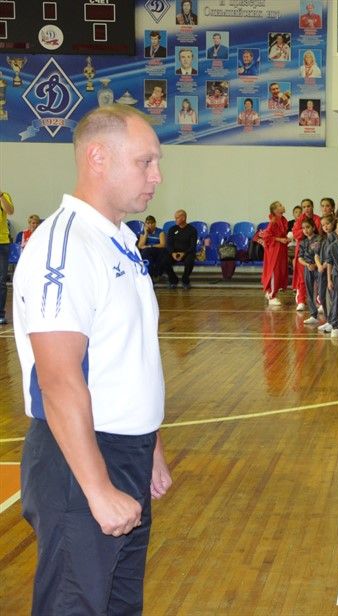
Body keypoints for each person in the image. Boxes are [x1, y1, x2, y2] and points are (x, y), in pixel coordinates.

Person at [12, 104, 171, 614]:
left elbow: (127, 354)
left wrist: (150, 442)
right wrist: (98, 487)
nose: (157, 176)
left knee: (119, 606)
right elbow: (59, 380)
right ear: (98, 158)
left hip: (125, 451)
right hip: (79, 459)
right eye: (145, 162)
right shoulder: (65, 246)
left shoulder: (119, 241)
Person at [291, 199, 321, 310]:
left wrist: (308, 231)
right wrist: (306, 231)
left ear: (312, 206)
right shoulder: (299, 220)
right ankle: (301, 300)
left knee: (317, 278)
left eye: (308, 206)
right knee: (302, 277)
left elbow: (319, 233)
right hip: (303, 251)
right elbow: (296, 234)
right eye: (304, 207)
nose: (306, 208)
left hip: (316, 250)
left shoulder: (317, 219)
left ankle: (318, 301)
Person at [258, 201, 290, 304]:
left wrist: (286, 239)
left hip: (281, 249)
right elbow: (266, 236)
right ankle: (272, 295)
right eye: (280, 205)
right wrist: (280, 239)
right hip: (274, 250)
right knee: (274, 271)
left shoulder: (283, 219)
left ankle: (270, 292)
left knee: (280, 271)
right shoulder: (273, 221)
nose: (283, 206)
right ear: (275, 210)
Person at [162, 209, 197, 289]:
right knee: (164, 260)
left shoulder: (192, 230)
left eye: (177, 218)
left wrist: (184, 253)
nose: (175, 220)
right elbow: (169, 243)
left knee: (189, 261)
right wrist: (172, 253)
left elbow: (192, 246)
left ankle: (185, 280)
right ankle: (173, 280)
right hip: (174, 253)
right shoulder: (172, 229)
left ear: (183, 218)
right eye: (175, 218)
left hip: (187, 253)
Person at [298, 220, 322, 324]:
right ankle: (313, 315)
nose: (305, 230)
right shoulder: (303, 242)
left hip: (319, 267)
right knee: (309, 291)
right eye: (303, 228)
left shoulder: (319, 239)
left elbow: (320, 254)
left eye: (308, 227)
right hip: (308, 268)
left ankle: (327, 314)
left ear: (313, 227)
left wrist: (316, 265)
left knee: (322, 290)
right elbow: (300, 258)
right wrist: (307, 265)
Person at [137, 214, 166, 279]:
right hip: (147, 251)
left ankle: (154, 274)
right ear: (145, 224)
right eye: (148, 223)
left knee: (161, 253)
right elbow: (140, 246)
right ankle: (151, 275)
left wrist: (150, 246)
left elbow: (163, 245)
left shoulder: (160, 232)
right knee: (146, 253)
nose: (150, 225)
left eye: (152, 223)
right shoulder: (143, 232)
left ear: (155, 223)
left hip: (157, 250)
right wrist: (146, 234)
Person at [0, 188, 14, 325]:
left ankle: (0, 314)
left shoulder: (4, 196)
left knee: (1, 281)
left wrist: (1, 196)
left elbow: (10, 211)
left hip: (2, 243)